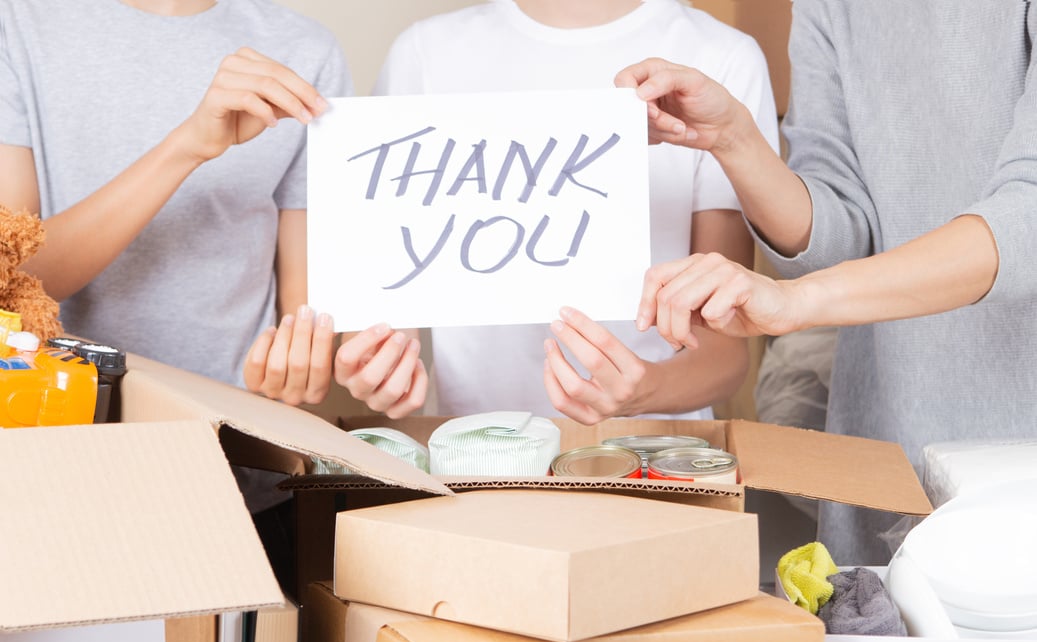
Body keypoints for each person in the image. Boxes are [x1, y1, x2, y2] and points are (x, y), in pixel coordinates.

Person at [618, 0, 1037, 564]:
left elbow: (1027, 218)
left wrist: (796, 302)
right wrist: (734, 139)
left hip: (1018, 462)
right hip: (883, 444)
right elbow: (843, 230)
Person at [248, 0, 779, 426]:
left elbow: (726, 351)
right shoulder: (425, 52)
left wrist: (645, 391)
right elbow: (391, 313)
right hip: (471, 456)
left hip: (655, 460)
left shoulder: (720, 57)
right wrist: (379, 369)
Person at [0, 0, 353, 519]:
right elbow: (16, 279)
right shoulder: (19, 23)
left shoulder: (306, 51)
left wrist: (306, 365)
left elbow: (306, 314)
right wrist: (187, 146)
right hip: (59, 457)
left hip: (238, 475)